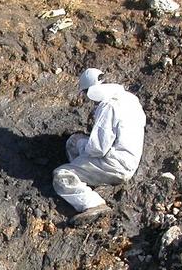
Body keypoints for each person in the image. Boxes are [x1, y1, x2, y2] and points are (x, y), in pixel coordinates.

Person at [53, 68, 146, 225]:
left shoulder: (108, 106)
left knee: (62, 174)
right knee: (78, 143)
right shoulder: (131, 100)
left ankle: (93, 204)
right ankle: (87, 177)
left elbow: (98, 148)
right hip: (130, 163)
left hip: (114, 165)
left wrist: (81, 144)